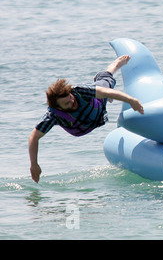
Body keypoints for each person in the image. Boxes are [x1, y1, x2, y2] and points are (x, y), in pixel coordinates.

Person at [28, 55, 144, 183]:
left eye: (71, 98)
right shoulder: (53, 116)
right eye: (67, 104)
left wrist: (131, 100)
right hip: (83, 125)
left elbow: (106, 92)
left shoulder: (79, 91)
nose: (73, 102)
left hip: (98, 103)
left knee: (106, 81)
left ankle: (116, 63)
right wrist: (34, 164)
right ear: (59, 108)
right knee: (105, 91)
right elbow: (34, 137)